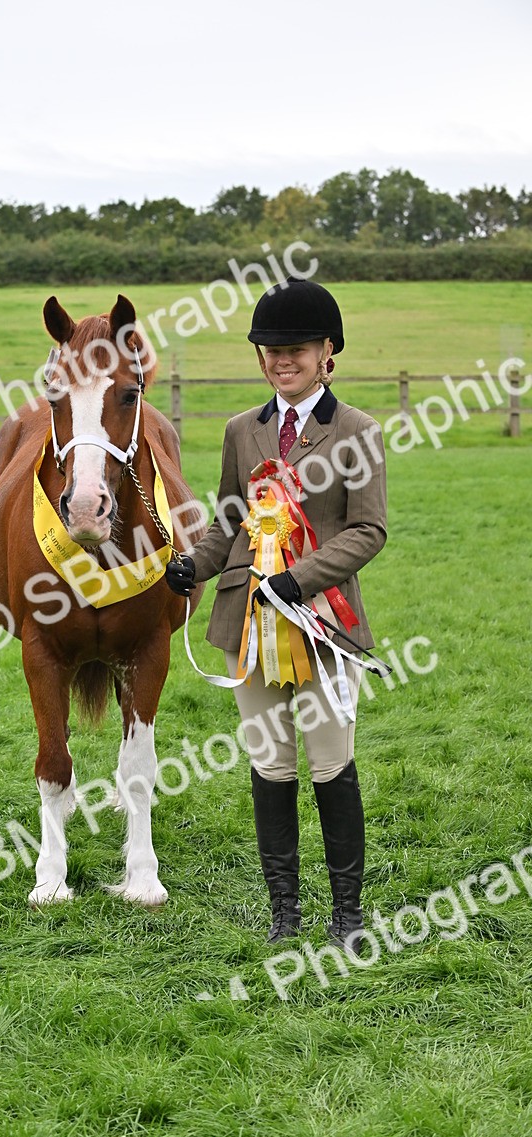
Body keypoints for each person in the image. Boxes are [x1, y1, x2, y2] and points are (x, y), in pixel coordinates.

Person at [165, 278, 387, 952]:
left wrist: (298, 579)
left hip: (321, 622)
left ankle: (346, 914)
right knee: (270, 765)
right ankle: (284, 911)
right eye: (268, 349)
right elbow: (230, 523)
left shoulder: (357, 431)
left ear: (328, 353)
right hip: (248, 625)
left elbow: (367, 530)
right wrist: (192, 566)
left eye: (293, 348)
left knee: (330, 763)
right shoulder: (242, 431)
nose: (279, 359)